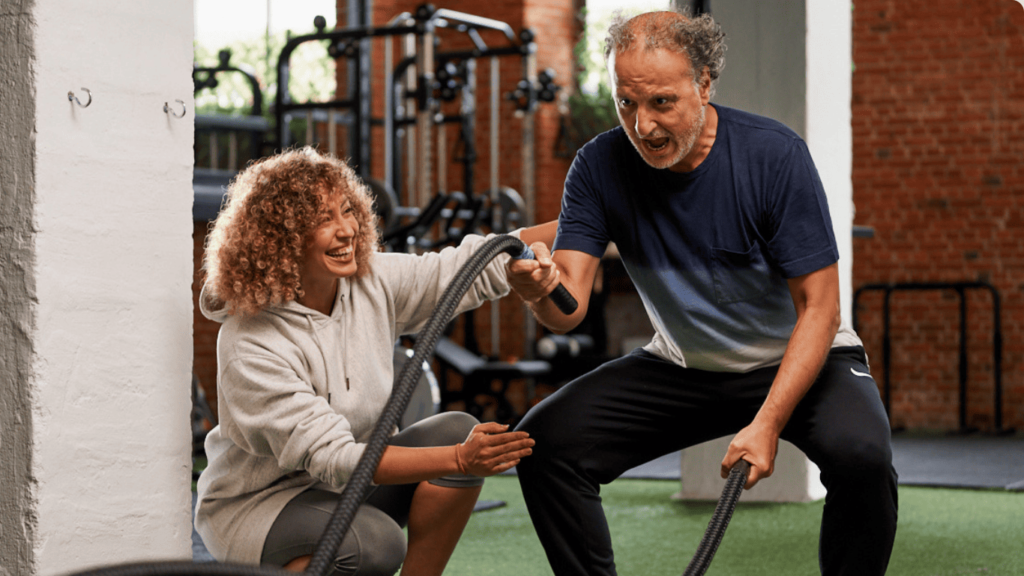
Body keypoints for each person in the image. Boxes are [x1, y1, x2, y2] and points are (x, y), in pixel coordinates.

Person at [507, 9, 898, 576]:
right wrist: (538, 290)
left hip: (802, 358)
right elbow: (567, 308)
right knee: (546, 445)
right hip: (687, 366)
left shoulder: (773, 156)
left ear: (705, 83)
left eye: (661, 102)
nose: (642, 126)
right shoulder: (598, 167)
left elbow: (820, 308)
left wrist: (766, 424)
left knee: (863, 456)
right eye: (626, 103)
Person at [194, 147, 544, 575]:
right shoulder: (251, 343)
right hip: (261, 507)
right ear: (280, 239)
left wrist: (593, 221)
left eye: (346, 211)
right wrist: (458, 460)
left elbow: (461, 268)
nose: (347, 231)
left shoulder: (368, 280)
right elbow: (335, 457)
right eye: (323, 220)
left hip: (345, 487)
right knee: (375, 543)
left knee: (455, 429)